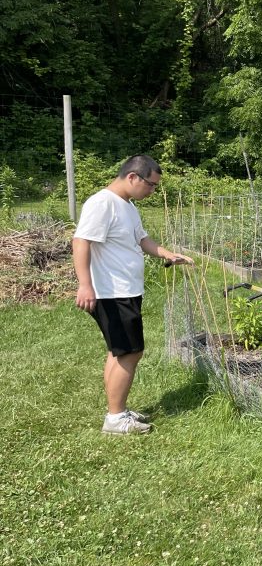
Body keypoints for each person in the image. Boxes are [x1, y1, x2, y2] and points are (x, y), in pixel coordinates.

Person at [72, 154, 194, 435]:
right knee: (131, 352)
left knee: (119, 351)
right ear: (132, 177)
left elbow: (141, 239)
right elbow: (81, 241)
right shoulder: (102, 203)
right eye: (151, 185)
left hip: (125, 291)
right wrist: (85, 284)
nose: (152, 191)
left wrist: (166, 253)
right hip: (112, 292)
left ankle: (118, 410)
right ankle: (115, 418)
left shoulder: (126, 206)